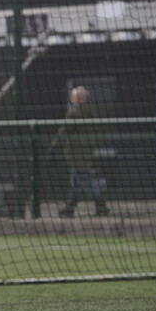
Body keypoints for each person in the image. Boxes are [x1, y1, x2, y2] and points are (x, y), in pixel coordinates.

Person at [52, 86, 109, 217]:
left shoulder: (74, 112)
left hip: (75, 152)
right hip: (87, 150)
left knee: (84, 179)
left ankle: (100, 206)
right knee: (77, 181)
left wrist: (53, 147)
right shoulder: (92, 111)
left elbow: (64, 130)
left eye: (73, 97)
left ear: (77, 98)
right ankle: (70, 207)